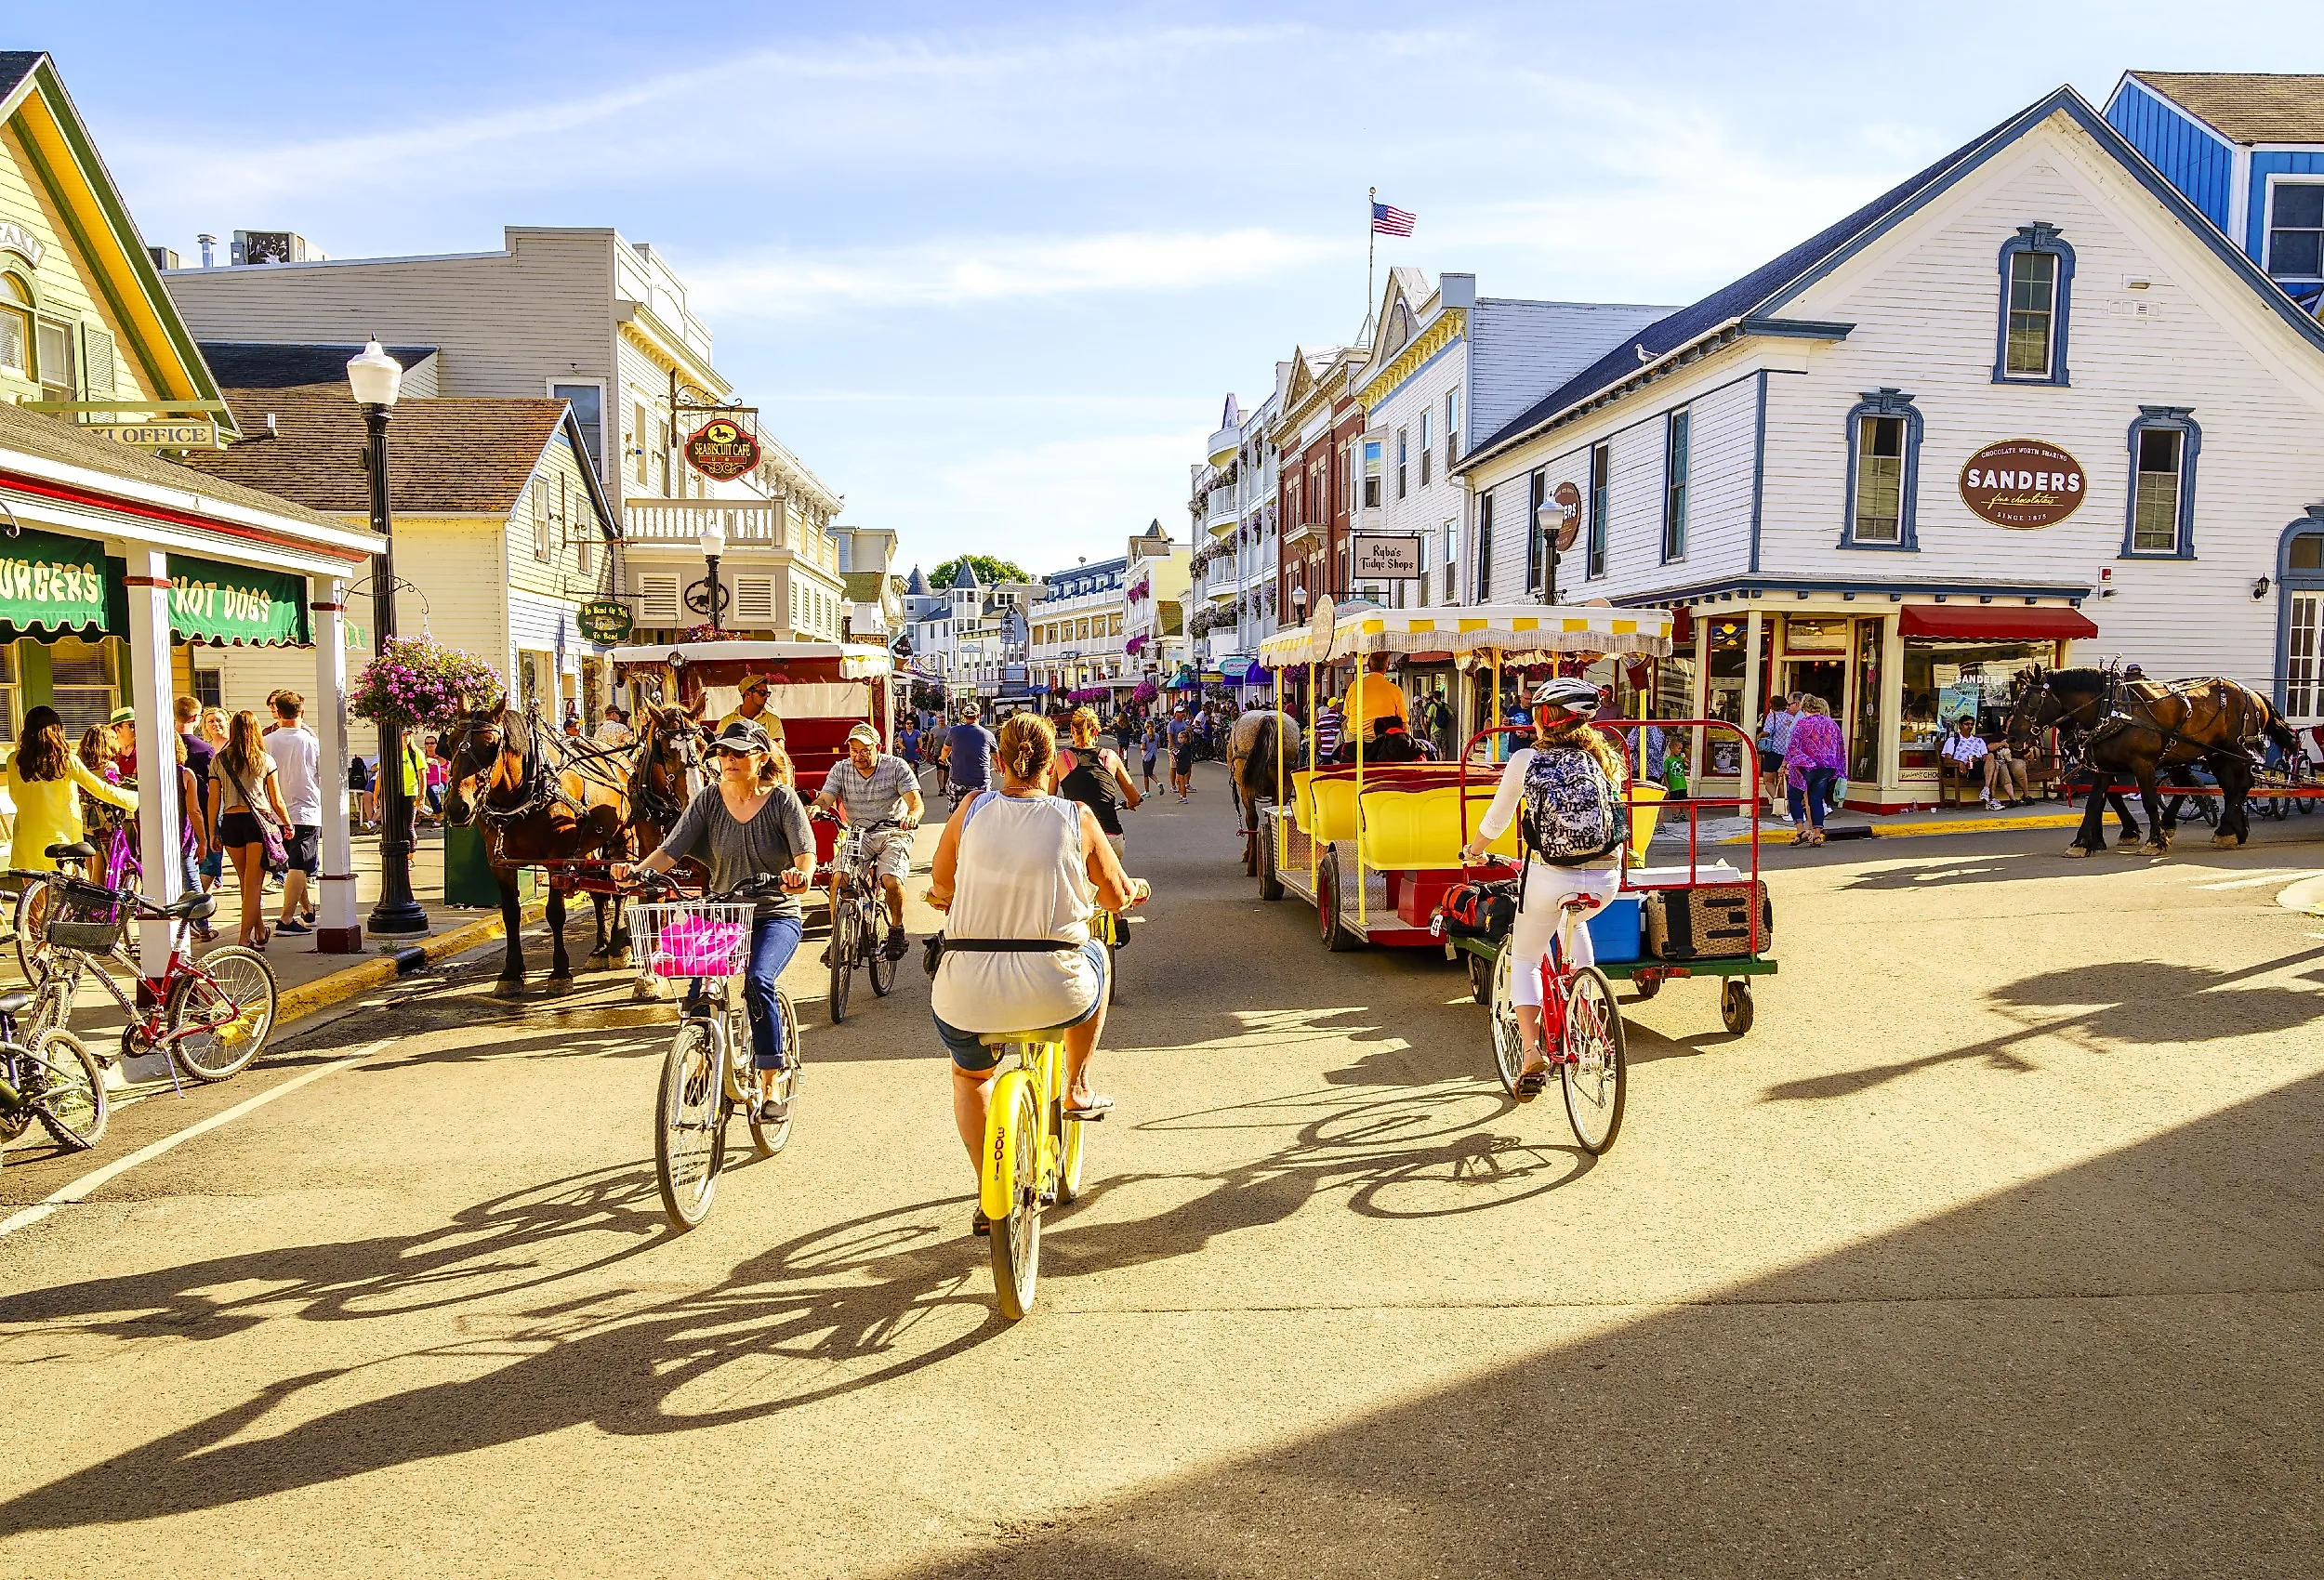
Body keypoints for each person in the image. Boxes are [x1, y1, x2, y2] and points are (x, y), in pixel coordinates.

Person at [925, 711, 1149, 1232]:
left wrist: (949, 898)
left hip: (967, 991)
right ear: (1053, 768)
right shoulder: (1078, 818)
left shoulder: (970, 809)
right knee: (1097, 958)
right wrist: (1133, 890)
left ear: (997, 762)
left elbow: (942, 883)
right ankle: (1075, 1084)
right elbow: (1114, 897)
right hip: (1056, 988)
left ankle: (989, 1194)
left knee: (970, 1075)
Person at [619, 719, 815, 1124]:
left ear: (761, 758)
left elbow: (805, 855)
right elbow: (670, 851)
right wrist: (637, 872)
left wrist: (799, 876)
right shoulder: (709, 799)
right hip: (723, 912)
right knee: (699, 991)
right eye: (724, 753)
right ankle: (707, 1058)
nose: (728, 760)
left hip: (774, 913)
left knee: (759, 982)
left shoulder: (782, 801)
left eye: (739, 753)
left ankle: (770, 1082)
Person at [1458, 677, 1628, 1100]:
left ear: (1545, 720)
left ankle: (1532, 1052)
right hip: (1606, 877)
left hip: (1550, 875)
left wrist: (1473, 852)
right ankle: (1586, 1001)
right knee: (1577, 921)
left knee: (1528, 956)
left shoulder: (1526, 760)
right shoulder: (1604, 759)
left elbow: (1496, 822)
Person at [814, 721, 925, 962]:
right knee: (838, 878)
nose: (858, 756)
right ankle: (837, 939)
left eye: (865, 750)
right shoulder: (841, 769)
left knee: (890, 880)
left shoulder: (896, 767)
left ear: (878, 747)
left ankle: (896, 929)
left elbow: (916, 803)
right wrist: (815, 808)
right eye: (854, 751)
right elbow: (826, 798)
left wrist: (911, 817)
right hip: (858, 834)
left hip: (893, 830)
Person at [6, 705, 140, 874]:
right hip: (60, 840)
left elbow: (15, 795)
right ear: (57, 731)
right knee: (61, 895)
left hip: (25, 837)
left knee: (33, 896)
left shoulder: (14, 761)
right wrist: (134, 799)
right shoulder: (66, 760)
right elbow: (100, 789)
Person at [212, 710, 294, 949]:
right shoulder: (264, 760)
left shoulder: (219, 760)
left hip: (230, 821)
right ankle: (243, 937)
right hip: (257, 822)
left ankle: (259, 930)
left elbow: (213, 800)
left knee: (245, 882)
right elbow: (276, 799)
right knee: (254, 884)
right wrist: (287, 823)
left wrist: (211, 832)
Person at [267, 691, 324, 935]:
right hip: (306, 809)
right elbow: (322, 775)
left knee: (294, 866)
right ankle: (286, 918)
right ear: (302, 712)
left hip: (274, 810)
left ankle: (307, 908)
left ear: (277, 713)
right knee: (300, 865)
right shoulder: (311, 742)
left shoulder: (266, 742)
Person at [1052, 704, 1142, 857]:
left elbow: (1050, 800)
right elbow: (1134, 797)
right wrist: (1130, 803)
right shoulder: (1110, 757)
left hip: (1079, 837)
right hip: (1111, 836)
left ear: (1072, 730)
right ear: (1096, 731)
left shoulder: (1061, 758)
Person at [1783, 695, 1846, 847]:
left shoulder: (1802, 723)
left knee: (1794, 797)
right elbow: (1840, 748)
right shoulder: (1832, 724)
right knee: (1816, 799)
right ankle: (1817, 834)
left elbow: (1793, 747)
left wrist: (1787, 764)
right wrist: (1839, 769)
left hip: (1805, 767)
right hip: (1826, 768)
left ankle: (1800, 830)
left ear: (1804, 709)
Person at [1757, 694, 1800, 820]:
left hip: (1773, 752)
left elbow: (1768, 731)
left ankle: (1779, 803)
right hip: (1787, 753)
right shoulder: (1791, 717)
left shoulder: (1772, 716)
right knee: (1782, 780)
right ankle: (1786, 805)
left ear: (1772, 706)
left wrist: (1759, 735)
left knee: (1768, 780)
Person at [943, 704, 997, 801]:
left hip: (958, 782)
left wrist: (943, 758)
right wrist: (999, 767)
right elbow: (996, 756)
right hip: (981, 784)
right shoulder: (987, 734)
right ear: (978, 716)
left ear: (964, 716)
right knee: (981, 813)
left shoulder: (954, 731)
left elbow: (946, 749)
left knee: (955, 814)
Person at [1939, 716, 1989, 806]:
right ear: (1960, 725)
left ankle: (1987, 790)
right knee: (1995, 767)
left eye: (1971, 724)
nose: (1969, 726)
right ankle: (1990, 796)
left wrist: (1979, 759)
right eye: (1966, 724)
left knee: (1992, 760)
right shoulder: (1953, 740)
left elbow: (1986, 757)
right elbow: (1946, 760)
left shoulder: (1979, 740)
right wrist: (1960, 763)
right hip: (1965, 770)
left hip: (1980, 767)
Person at [1167, 704, 1197, 800]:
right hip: (1175, 748)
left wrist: (1190, 731)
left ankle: (1186, 783)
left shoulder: (1185, 723)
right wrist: (1174, 748)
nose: (1182, 713)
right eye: (1180, 712)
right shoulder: (1172, 724)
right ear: (1176, 714)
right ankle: (1173, 786)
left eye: (1183, 712)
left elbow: (1189, 735)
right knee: (1174, 767)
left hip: (1185, 749)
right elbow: (1170, 737)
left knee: (1188, 766)